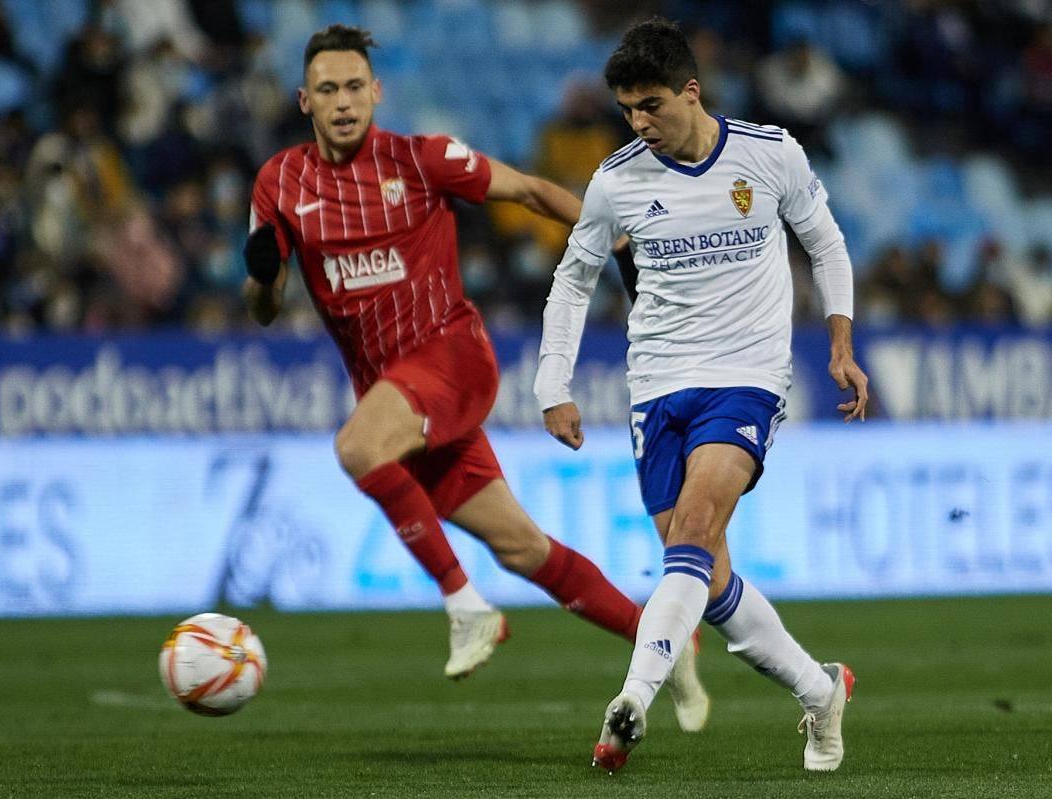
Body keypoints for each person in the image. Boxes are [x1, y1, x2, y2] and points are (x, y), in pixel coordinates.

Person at [240, 23, 710, 728]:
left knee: (357, 448)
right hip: (397, 396)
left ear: (377, 91)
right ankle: (666, 640)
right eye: (328, 89)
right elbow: (266, 309)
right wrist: (265, 276)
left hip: (451, 358)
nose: (344, 102)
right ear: (304, 100)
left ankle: (466, 606)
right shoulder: (281, 182)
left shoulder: (422, 159)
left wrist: (615, 236)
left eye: (354, 87)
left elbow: (527, 190)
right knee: (523, 546)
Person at [534, 18, 868, 773]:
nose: (638, 122)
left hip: (747, 377)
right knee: (704, 572)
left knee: (693, 526)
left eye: (650, 104)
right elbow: (574, 278)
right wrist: (552, 380)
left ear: (692, 90)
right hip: (657, 386)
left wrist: (840, 341)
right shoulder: (617, 179)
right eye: (626, 110)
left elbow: (828, 242)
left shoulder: (770, 153)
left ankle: (631, 701)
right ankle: (821, 690)